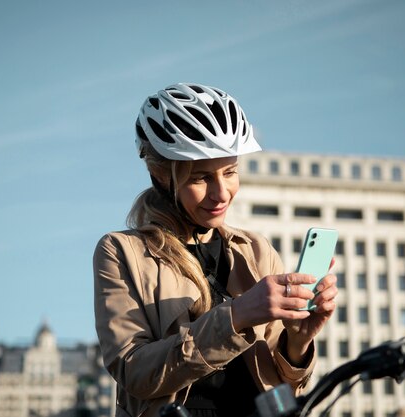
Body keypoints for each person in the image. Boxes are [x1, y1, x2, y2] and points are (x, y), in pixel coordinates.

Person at [93, 82, 338, 417]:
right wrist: (237, 316)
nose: (222, 193)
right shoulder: (123, 252)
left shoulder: (257, 251)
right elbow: (133, 371)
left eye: (230, 172)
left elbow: (287, 387)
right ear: (159, 175)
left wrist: (297, 342)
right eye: (200, 178)